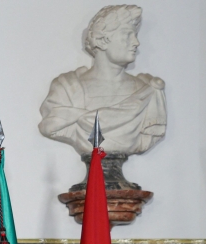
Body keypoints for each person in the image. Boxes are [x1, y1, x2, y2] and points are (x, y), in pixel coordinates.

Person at [38, 4, 165, 156]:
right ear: (102, 40)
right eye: (127, 35)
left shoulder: (147, 91)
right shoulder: (67, 88)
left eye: (135, 35)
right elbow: (51, 124)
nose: (136, 42)